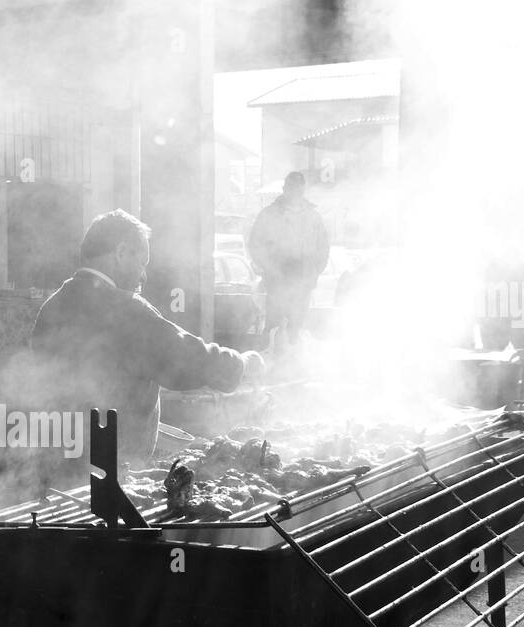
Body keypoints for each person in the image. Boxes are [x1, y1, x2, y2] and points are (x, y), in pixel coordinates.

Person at [29, 209, 262, 488]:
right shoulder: (125, 310)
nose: (144, 275)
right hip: (110, 474)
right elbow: (187, 359)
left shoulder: (52, 306)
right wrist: (242, 364)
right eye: (142, 262)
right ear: (121, 252)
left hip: (55, 467)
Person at [248, 171, 330, 347]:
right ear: (284, 189)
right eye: (291, 189)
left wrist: (313, 273)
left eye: (298, 190)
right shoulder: (269, 215)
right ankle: (271, 359)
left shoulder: (313, 217)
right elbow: (255, 244)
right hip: (277, 282)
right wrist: (271, 269)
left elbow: (323, 248)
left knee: (297, 331)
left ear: (303, 191)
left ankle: (296, 360)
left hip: (303, 283)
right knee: (274, 330)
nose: (295, 194)